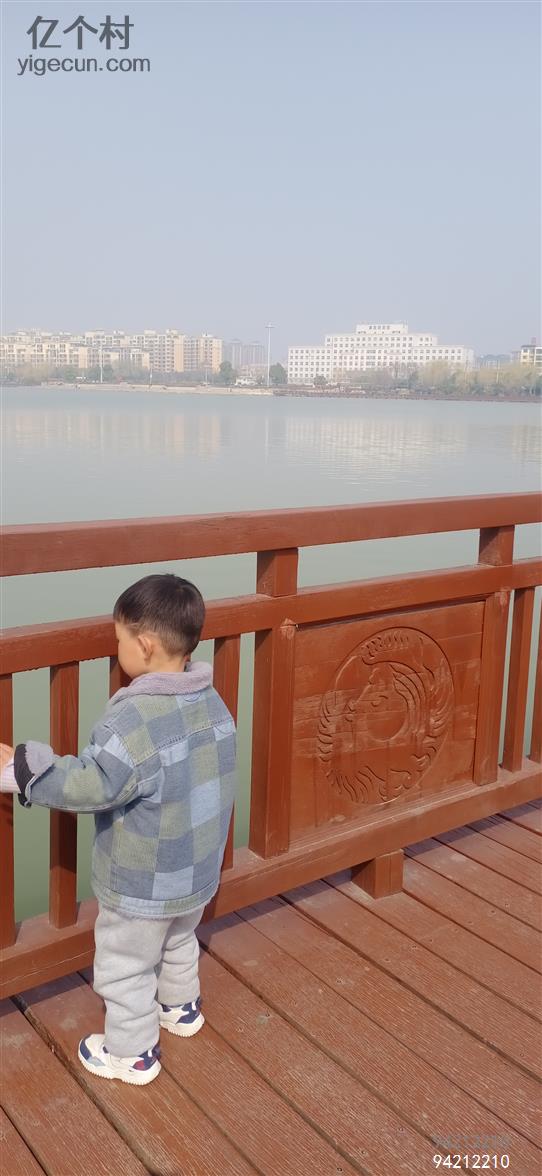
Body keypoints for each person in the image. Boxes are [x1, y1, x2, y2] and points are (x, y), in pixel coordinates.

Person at [0, 574, 237, 1086]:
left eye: (119, 639)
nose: (118, 649)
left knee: (125, 964)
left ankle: (132, 1054)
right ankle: (181, 1009)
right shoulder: (213, 702)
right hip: (196, 871)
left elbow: (94, 784)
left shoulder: (133, 722)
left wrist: (24, 768)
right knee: (179, 939)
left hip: (142, 881)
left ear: (144, 645)